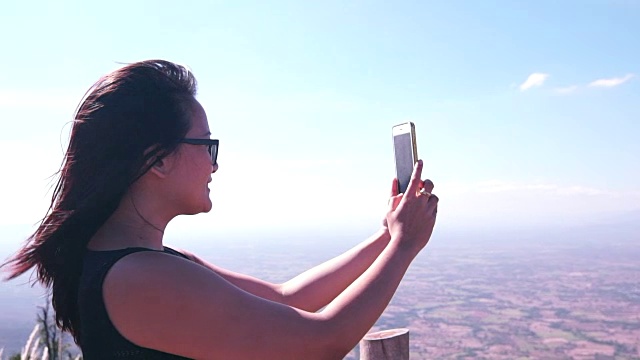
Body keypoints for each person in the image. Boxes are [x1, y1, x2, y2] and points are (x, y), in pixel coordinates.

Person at [1, 60, 438, 359]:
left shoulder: (144, 264)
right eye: (206, 144)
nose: (215, 162)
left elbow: (290, 298)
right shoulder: (139, 278)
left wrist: (387, 234)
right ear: (158, 159)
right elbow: (319, 344)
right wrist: (404, 246)